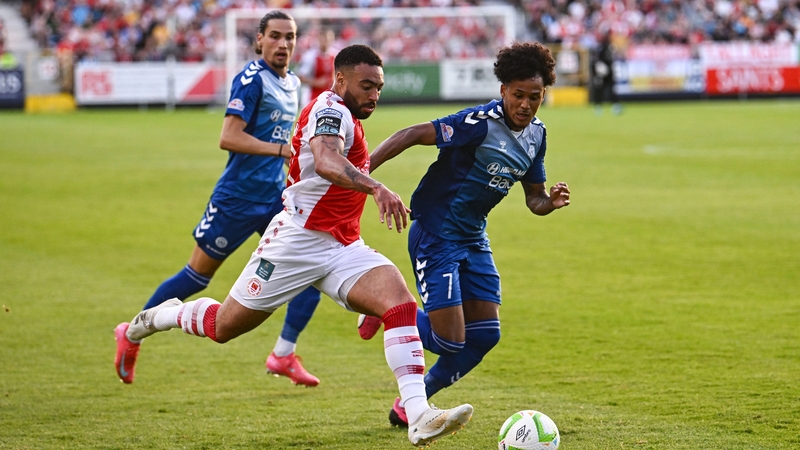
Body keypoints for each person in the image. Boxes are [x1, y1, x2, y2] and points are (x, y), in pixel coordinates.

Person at [114, 43, 473, 447]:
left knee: (401, 303)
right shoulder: (331, 110)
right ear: (340, 79)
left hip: (341, 246)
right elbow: (325, 159)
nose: (374, 94)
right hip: (295, 242)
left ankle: (419, 415)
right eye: (366, 85)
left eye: (379, 87)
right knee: (222, 327)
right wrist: (376, 188)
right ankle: (163, 316)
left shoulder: (347, 113)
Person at [358, 41, 571, 427]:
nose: (525, 104)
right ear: (503, 90)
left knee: (485, 336)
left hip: (473, 237)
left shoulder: (537, 136)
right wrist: (362, 172)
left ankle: (410, 404)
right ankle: (385, 309)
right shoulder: (479, 124)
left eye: (534, 97)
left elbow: (534, 199)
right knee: (449, 341)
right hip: (437, 234)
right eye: (518, 95)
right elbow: (411, 133)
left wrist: (550, 202)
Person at [114, 10, 321, 387]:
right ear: (259, 40)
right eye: (275, 36)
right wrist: (280, 151)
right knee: (197, 277)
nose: (283, 44)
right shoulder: (251, 79)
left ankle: (283, 355)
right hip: (237, 199)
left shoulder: (291, 82)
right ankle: (132, 333)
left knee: (308, 273)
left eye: (289, 37)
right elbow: (229, 136)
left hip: (276, 199)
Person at [295, 27, 336, 107]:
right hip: (312, 96)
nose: (326, 41)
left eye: (328, 39)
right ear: (319, 39)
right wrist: (315, 82)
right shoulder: (310, 55)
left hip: (330, 97)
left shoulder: (335, 55)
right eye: (324, 39)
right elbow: (300, 76)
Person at [590, 31, 621, 115]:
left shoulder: (608, 46)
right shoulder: (601, 47)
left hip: (609, 71)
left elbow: (610, 60)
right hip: (601, 72)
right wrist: (598, 70)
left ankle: (615, 105)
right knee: (600, 89)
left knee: (611, 89)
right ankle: (598, 106)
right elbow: (596, 61)